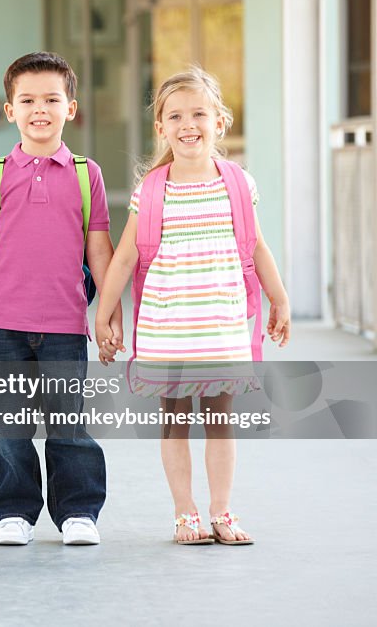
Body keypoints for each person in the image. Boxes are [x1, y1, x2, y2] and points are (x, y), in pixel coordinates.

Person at [94, 67, 290, 545]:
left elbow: (258, 246)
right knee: (175, 422)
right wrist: (104, 312)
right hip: (168, 330)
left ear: (219, 121)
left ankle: (222, 510)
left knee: (220, 423)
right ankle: (185, 513)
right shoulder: (153, 189)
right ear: (160, 127)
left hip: (221, 326)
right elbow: (127, 255)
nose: (188, 124)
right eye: (175, 115)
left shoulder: (238, 183)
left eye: (199, 113)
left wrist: (278, 297)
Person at [0, 51, 117, 547]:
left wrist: (107, 315)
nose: (40, 109)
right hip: (3, 321)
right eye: (27, 100)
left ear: (71, 107)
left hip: (66, 323)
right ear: (11, 111)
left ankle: (78, 511)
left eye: (52, 99)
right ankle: (15, 512)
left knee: (67, 424)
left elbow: (98, 249)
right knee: (9, 428)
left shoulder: (85, 173)